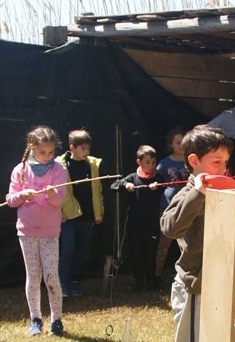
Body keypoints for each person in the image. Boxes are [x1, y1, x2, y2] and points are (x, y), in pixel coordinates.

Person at [160, 125, 231, 342]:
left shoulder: (221, 191)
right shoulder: (188, 192)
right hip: (193, 287)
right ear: (194, 161)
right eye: (216, 162)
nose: (223, 168)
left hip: (215, 285)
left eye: (225, 162)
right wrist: (198, 193)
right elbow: (169, 226)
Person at [6, 126, 68, 336]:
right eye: (43, 152)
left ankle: (56, 320)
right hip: (27, 231)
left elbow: (60, 200)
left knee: (51, 276)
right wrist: (23, 195)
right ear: (31, 147)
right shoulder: (21, 169)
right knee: (33, 277)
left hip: (50, 231)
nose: (47, 156)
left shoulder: (58, 169)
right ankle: (35, 319)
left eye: (51, 152)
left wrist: (52, 194)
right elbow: (10, 199)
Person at [54, 129, 104, 297]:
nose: (86, 151)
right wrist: (59, 212)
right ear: (72, 148)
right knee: (68, 249)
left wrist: (99, 212)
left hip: (87, 217)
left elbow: (97, 190)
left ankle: (75, 282)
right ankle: (61, 283)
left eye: (88, 148)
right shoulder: (60, 166)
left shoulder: (92, 165)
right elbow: (55, 191)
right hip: (68, 217)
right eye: (83, 148)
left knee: (81, 251)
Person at [111, 145, 162, 291]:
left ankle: (151, 282)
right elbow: (114, 185)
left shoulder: (157, 178)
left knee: (151, 253)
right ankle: (139, 282)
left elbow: (165, 187)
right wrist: (126, 184)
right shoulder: (133, 177)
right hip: (135, 224)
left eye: (153, 162)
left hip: (152, 224)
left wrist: (157, 187)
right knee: (137, 253)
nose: (151, 166)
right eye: (148, 162)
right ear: (139, 162)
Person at [154, 125, 189, 286]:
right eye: (177, 142)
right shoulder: (164, 163)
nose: (181, 145)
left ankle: (187, 273)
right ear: (171, 144)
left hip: (188, 207)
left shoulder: (191, 161)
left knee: (188, 242)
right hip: (168, 207)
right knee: (164, 243)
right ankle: (157, 274)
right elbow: (156, 180)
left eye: (183, 142)